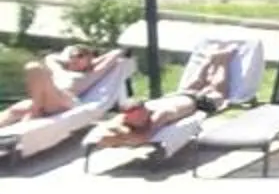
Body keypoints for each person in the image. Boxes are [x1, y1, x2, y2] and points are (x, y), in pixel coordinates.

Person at [85, 43, 249, 150]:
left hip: (195, 102)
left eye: (139, 116)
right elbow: (106, 131)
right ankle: (211, 59)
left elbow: (144, 137)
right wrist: (116, 135)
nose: (137, 119)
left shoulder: (158, 115)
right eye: (134, 118)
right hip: (178, 97)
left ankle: (223, 60)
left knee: (218, 91)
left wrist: (122, 137)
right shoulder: (126, 117)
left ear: (144, 110)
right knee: (198, 82)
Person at [3, 46, 126, 126]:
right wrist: (67, 59)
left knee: (36, 69)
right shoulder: (59, 70)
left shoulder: (90, 74)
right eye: (72, 56)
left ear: (90, 59)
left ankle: (34, 112)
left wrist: (93, 61)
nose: (75, 58)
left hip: (66, 101)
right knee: (32, 68)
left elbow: (117, 52)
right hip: (46, 99)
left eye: (80, 56)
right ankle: (36, 109)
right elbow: (50, 57)